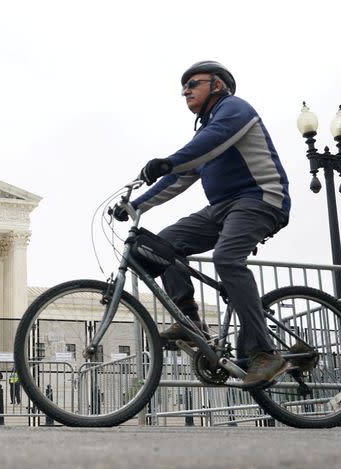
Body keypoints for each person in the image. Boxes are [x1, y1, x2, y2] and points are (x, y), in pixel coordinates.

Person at [114, 61, 291, 390]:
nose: (185, 90)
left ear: (218, 85)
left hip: (261, 199)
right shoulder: (204, 134)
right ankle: (190, 321)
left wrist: (169, 159)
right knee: (158, 245)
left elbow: (210, 141)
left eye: (193, 83)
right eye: (183, 86)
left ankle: (264, 353)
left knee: (226, 259)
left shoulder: (235, 111)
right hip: (222, 208)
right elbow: (178, 178)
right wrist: (135, 205)